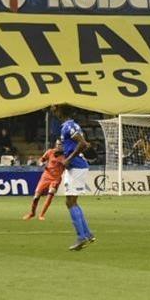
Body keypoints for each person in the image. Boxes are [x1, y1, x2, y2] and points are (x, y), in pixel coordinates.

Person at [53, 105, 95, 250]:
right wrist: (61, 151)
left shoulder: (68, 126)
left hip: (76, 166)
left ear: (61, 112)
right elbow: (77, 143)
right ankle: (87, 234)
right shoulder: (70, 125)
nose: (54, 111)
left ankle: (81, 237)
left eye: (56, 109)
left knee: (70, 202)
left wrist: (69, 158)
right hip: (76, 166)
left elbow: (83, 143)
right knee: (72, 202)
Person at [23, 139, 65, 221]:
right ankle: (32, 213)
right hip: (46, 176)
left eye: (60, 144)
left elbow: (68, 165)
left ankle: (41, 215)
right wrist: (41, 163)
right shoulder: (50, 152)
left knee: (51, 193)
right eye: (57, 144)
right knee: (36, 197)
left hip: (56, 178)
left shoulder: (66, 155)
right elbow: (41, 160)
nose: (58, 146)